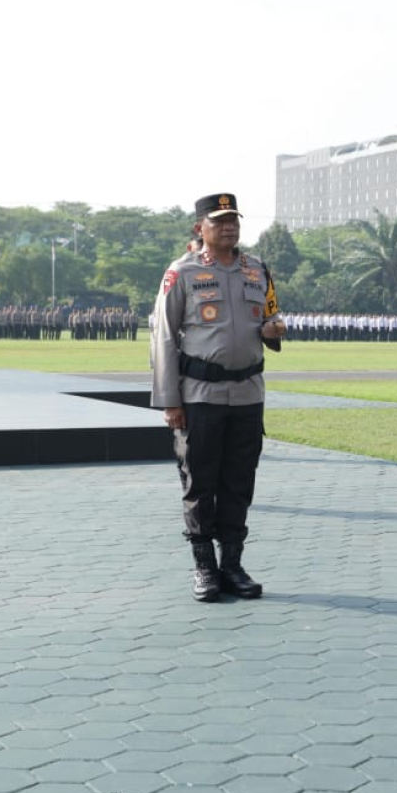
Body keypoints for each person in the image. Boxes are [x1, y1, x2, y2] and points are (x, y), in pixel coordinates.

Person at [150, 192, 287, 602]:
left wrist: (272, 331)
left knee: (239, 483)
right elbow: (162, 337)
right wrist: (170, 401)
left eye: (234, 221)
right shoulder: (182, 272)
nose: (229, 227)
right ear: (200, 228)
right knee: (200, 483)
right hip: (200, 395)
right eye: (219, 221)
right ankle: (204, 567)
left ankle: (232, 564)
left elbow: (271, 317)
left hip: (247, 394)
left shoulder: (257, 270)